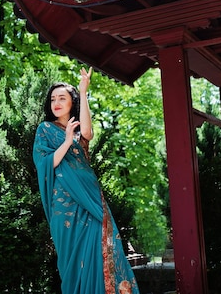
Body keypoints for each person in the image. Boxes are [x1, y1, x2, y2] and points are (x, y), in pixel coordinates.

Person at [32, 67, 139, 294]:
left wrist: (83, 91)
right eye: (53, 99)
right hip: (64, 203)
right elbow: (45, 164)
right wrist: (67, 140)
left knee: (102, 249)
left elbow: (88, 133)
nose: (57, 102)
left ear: (73, 103)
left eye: (63, 98)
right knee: (72, 260)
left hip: (91, 200)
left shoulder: (78, 130)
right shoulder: (45, 129)